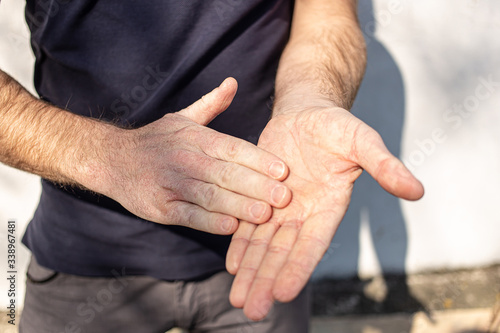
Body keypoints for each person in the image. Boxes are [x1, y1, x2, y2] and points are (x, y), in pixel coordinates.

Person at [0, 0, 423, 332]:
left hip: (265, 240)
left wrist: (310, 97)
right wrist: (109, 158)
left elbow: (326, 11)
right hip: (83, 257)